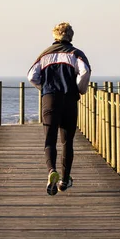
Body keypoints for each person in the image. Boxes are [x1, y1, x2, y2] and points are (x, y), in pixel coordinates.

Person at [27, 22, 91, 195]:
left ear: (54, 36)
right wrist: (80, 89)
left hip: (50, 99)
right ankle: (65, 179)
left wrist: (44, 88)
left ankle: (51, 172)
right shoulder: (76, 54)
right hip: (69, 99)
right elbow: (85, 72)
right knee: (67, 141)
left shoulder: (44, 54)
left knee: (49, 139)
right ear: (70, 36)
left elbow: (31, 75)